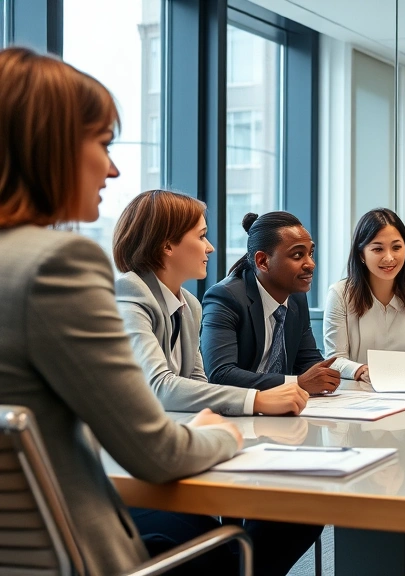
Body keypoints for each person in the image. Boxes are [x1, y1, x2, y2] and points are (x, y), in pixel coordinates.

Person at [0, 47, 242, 575]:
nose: (112, 168)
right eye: (103, 143)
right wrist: (225, 434)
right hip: (74, 556)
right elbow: (155, 454)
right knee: (226, 543)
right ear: (48, 147)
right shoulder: (56, 265)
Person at [113, 190, 309, 416]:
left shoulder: (189, 304)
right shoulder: (129, 296)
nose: (209, 247)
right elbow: (159, 387)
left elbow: (199, 383)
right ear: (167, 246)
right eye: (201, 236)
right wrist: (257, 400)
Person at [201, 211, 340, 396]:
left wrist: (325, 375)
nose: (311, 264)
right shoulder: (225, 297)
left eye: (310, 253)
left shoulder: (296, 298)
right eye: (298, 255)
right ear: (263, 261)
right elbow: (220, 374)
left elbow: (307, 360)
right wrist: (297, 383)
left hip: (282, 410)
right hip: (233, 413)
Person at [323, 208, 405, 383]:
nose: (389, 258)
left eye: (396, 247)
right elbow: (334, 359)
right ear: (361, 254)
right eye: (378, 249)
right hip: (359, 393)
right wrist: (361, 370)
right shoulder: (339, 294)